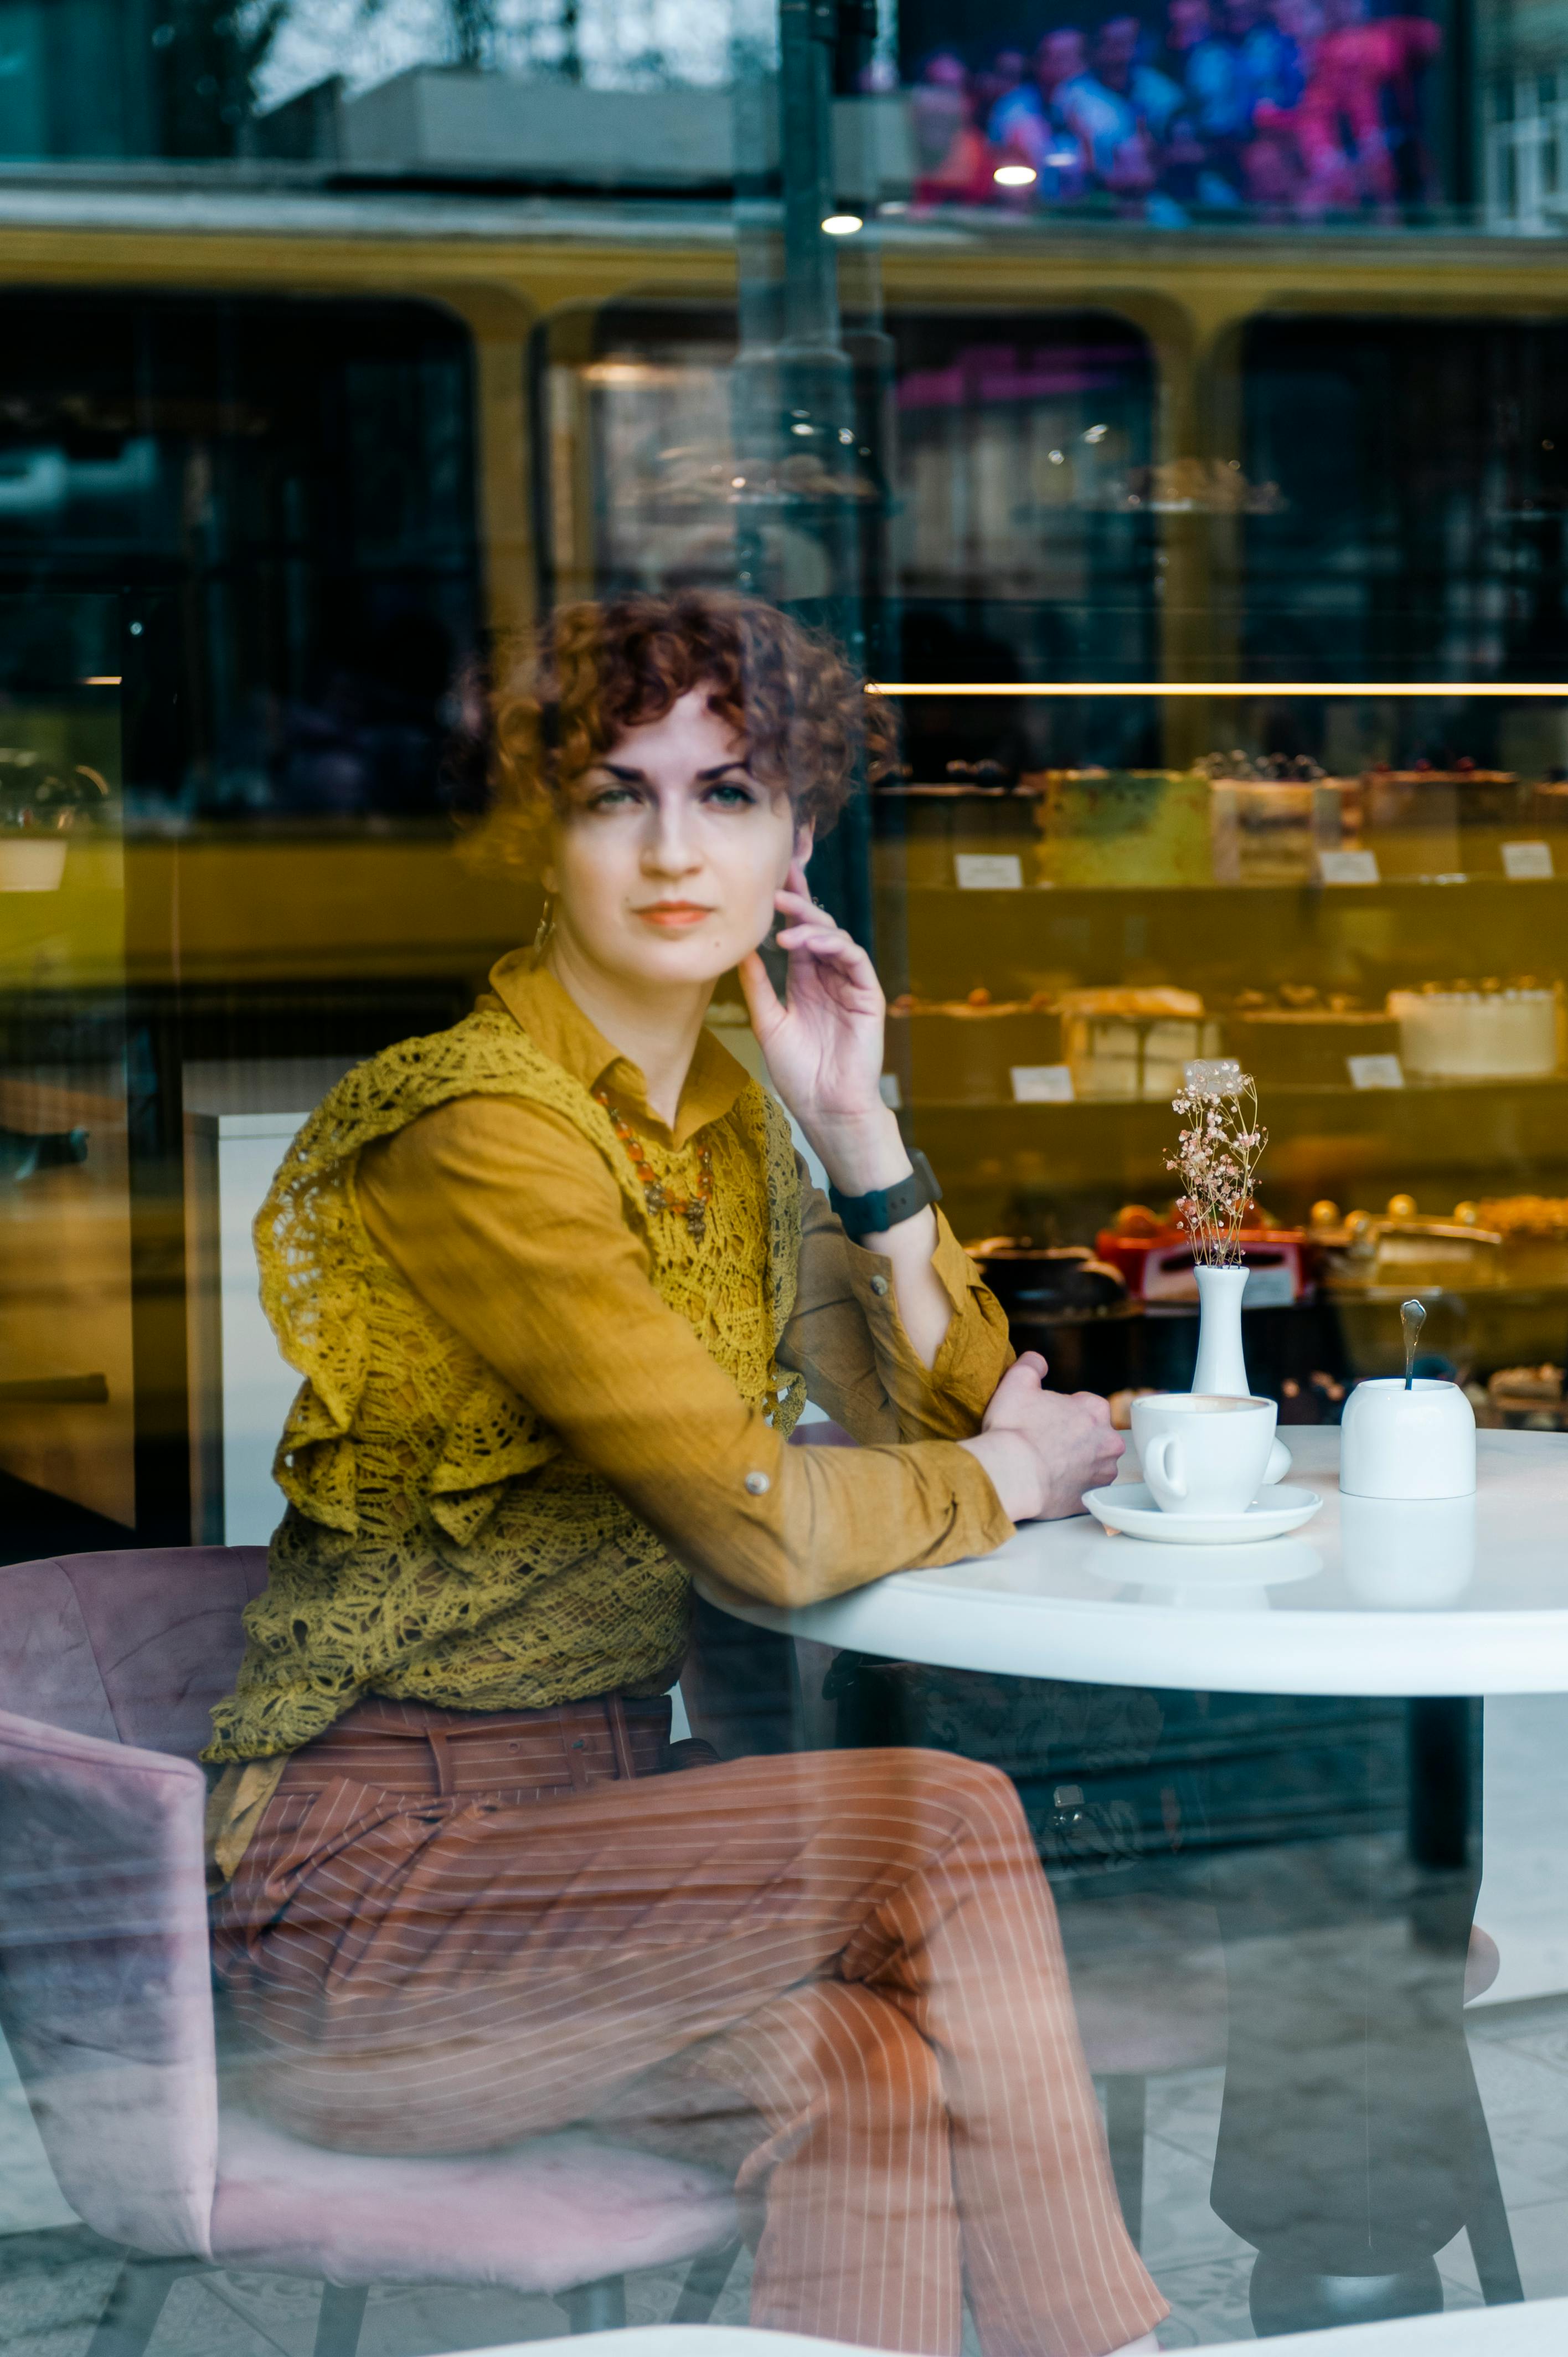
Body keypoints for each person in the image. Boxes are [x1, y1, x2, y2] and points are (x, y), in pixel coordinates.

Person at [203, 588, 1165, 2357]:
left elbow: (939, 1426)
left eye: (727, 794)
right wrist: (1014, 1481)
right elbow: (768, 1527)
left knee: (867, 2061)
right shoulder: (480, 1128)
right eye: (609, 795)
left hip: (599, 1872)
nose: (670, 848)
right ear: (533, 835)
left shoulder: (726, 1123)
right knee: (940, 1818)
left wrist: (859, 1137)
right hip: (371, 1919)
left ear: (800, 837)